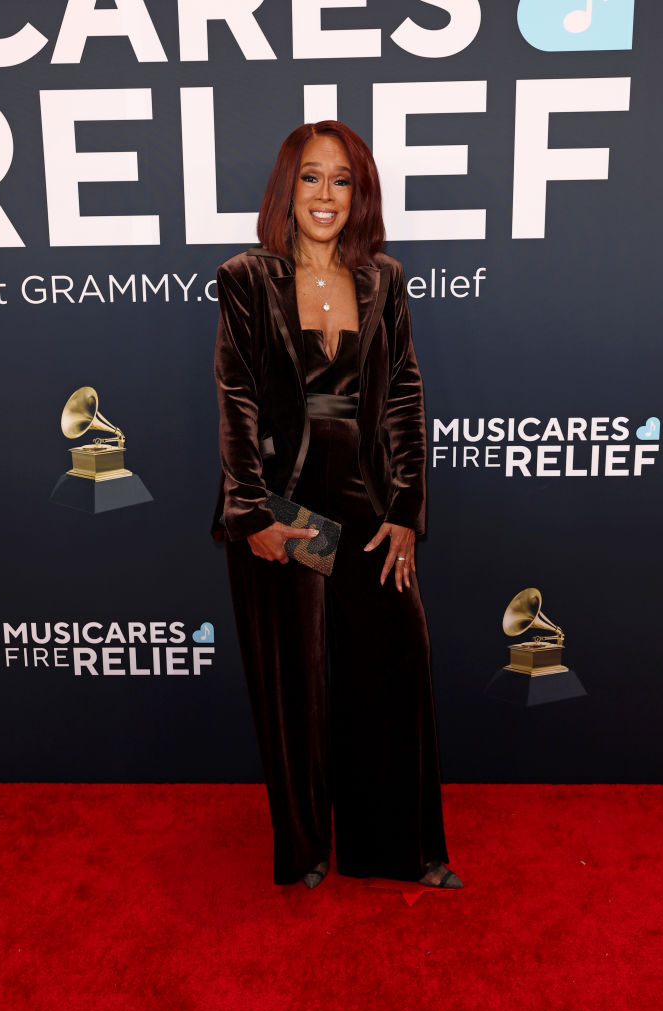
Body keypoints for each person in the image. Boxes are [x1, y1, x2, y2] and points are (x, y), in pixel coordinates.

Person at [212, 121, 462, 891]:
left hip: (364, 492)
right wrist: (251, 513)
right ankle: (306, 849)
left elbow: (405, 398)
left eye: (343, 179)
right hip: (283, 498)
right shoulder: (248, 277)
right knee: (295, 679)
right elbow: (237, 397)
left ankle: (398, 848)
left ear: (361, 194)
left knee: (392, 660)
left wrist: (406, 509)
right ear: (286, 187)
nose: (326, 195)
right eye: (312, 177)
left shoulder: (383, 278)